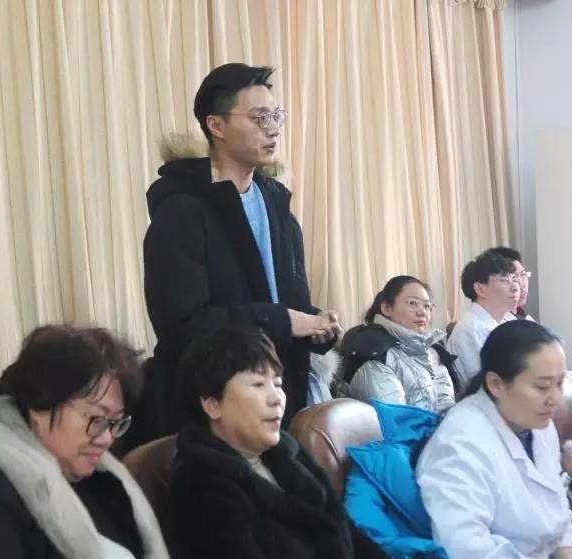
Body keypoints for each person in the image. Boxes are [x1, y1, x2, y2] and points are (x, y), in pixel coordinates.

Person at [140, 63, 340, 439]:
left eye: (276, 116)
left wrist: (315, 325)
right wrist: (281, 320)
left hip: (280, 400)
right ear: (216, 126)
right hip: (212, 413)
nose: (273, 128)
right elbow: (182, 326)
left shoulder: (278, 209)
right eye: (259, 117)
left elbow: (283, 303)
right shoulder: (182, 212)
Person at [0, 324, 169, 559]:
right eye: (96, 418)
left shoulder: (97, 480)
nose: (107, 438)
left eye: (115, 422)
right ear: (40, 405)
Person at [169, 327, 388, 559]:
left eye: (278, 384)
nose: (277, 398)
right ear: (213, 405)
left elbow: (348, 533)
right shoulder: (201, 488)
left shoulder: (288, 453)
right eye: (258, 384)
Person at [416, 321, 572, 559]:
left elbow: (559, 515)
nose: (556, 398)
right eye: (543, 386)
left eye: (560, 383)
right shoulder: (459, 444)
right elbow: (465, 548)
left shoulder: (538, 424)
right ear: (496, 384)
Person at [338, 275, 459, 410]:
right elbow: (394, 417)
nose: (422, 312)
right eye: (412, 303)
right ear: (387, 308)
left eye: (427, 306)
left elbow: (446, 405)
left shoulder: (432, 352)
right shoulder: (374, 352)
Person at [447, 250, 520, 386]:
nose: (515, 287)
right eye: (504, 280)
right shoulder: (469, 330)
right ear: (480, 289)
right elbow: (485, 385)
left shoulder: (510, 320)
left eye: (515, 279)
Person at [486, 246, 535, 321]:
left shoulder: (522, 315)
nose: (521, 285)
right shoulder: (494, 321)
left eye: (523, 274)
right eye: (514, 277)